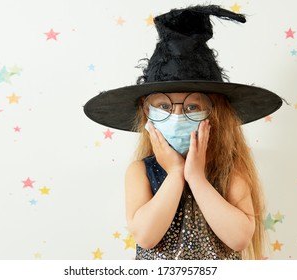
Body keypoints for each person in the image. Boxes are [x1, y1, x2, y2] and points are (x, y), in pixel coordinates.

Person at [84, 5, 283, 260]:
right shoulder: (140, 172)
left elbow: (239, 238)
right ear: (147, 114)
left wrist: (196, 177)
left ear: (214, 115)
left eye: (192, 106)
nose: (177, 116)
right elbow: (146, 236)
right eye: (164, 106)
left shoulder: (229, 170)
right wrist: (176, 173)